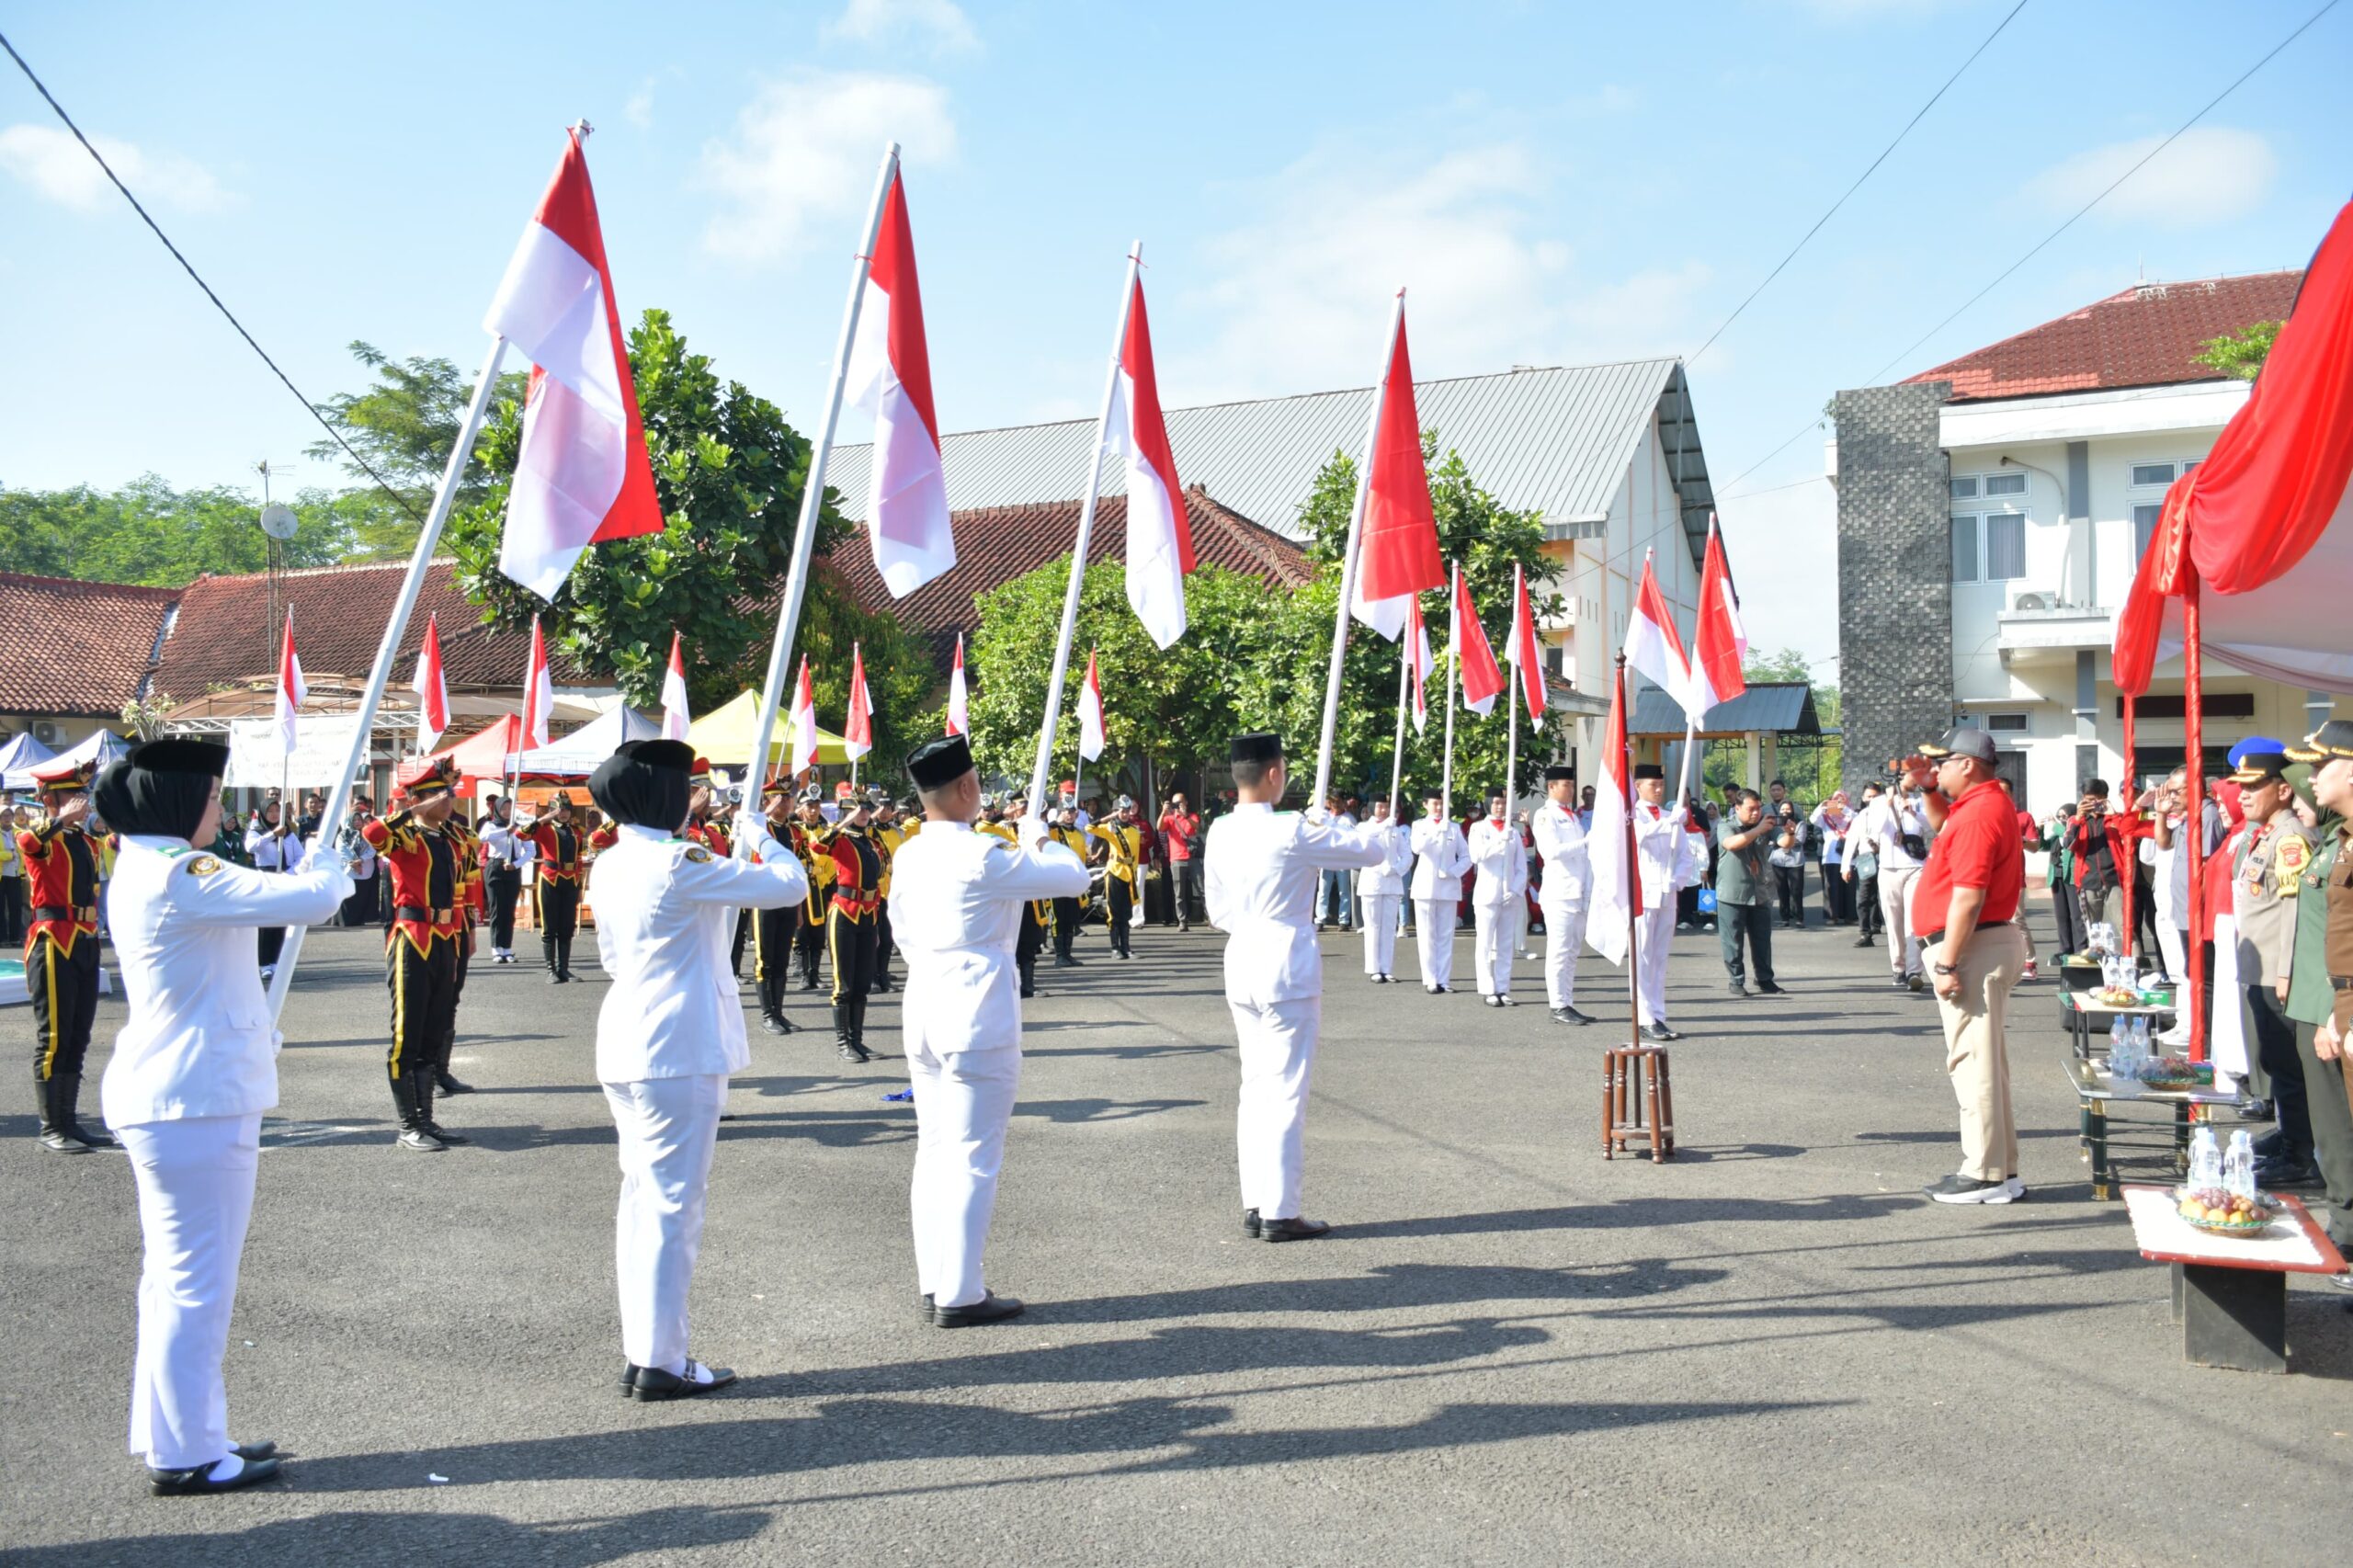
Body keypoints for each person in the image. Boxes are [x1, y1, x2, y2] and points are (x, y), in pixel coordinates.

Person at [97, 738, 352, 1494]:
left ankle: (176, 1431)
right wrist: (328, 861)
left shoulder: (150, 867)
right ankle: (188, 1455)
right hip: (193, 1101)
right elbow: (311, 899)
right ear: (180, 804)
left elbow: (208, 974)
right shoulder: (179, 871)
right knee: (195, 1283)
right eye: (212, 799)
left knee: (172, 1280)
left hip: (184, 1091)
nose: (220, 811)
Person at [585, 739, 807, 1399]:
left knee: (644, 1203)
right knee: (671, 1208)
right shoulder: (679, 861)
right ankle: (661, 1360)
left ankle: (645, 1350)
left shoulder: (615, 861)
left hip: (629, 1034)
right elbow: (788, 886)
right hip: (675, 1045)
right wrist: (763, 838)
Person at [892, 735, 1089, 1326]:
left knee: (934, 1149)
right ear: (968, 789)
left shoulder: (910, 852)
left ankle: (937, 1280)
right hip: (975, 1006)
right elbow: (1074, 877)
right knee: (974, 1153)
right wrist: (1040, 837)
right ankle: (960, 1292)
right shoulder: (981, 854)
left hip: (924, 999)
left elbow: (900, 928)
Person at [1203, 732, 1384, 1241]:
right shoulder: (1293, 830)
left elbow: (1217, 911)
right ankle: (1281, 1210)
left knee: (1254, 1087)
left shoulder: (1219, 830)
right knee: (1284, 1091)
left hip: (1241, 956)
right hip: (1285, 961)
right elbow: (1369, 851)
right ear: (1275, 774)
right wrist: (1336, 825)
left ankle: (1256, 1201)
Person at [1908, 728, 2030, 1203]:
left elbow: (1968, 896)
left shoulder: (1980, 811)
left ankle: (1985, 1174)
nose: (1935, 771)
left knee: (1973, 1064)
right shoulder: (1980, 804)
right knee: (1986, 1064)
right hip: (1985, 942)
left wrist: (1946, 962)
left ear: (1968, 765)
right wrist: (1926, 789)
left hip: (1974, 944)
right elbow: (1942, 827)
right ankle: (2000, 1168)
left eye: (1942, 764)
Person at [359, 758, 470, 1153]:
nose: (449, 799)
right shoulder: (407, 837)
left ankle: (426, 1120)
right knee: (407, 1034)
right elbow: (372, 835)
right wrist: (409, 812)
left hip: (445, 937)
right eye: (440, 794)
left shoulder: (450, 838)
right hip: (412, 937)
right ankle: (408, 1125)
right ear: (419, 800)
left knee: (433, 1031)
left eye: (449, 793)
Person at [2231, 743, 2320, 1189]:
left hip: (2276, 973)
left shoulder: (2288, 839)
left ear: (2283, 791)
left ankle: (2300, 1155)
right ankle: (2292, 1136)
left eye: (2254, 786)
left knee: (2287, 1065)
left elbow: (2294, 911)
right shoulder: (2268, 833)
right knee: (2274, 1059)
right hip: (2261, 968)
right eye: (2240, 788)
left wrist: (2285, 971)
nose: (2243, 795)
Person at [2282, 721, 2353, 1280]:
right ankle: (2345, 1224)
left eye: (2321, 764)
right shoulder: (2337, 839)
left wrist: (2335, 1007)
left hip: (2338, 1000)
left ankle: (2348, 1228)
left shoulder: (2339, 838)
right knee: (2332, 1124)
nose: (2310, 776)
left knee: (2340, 1123)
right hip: (2325, 997)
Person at [21, 757, 108, 1153]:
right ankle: (51, 1126)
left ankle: (70, 1122)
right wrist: (58, 819)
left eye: (82, 794)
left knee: (78, 1035)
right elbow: (30, 843)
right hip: (53, 940)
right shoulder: (43, 837)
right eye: (73, 794)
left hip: (86, 939)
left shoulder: (85, 840)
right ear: (51, 799)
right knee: (54, 1037)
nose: (81, 801)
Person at [1630, 764, 1699, 1042]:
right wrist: (1669, 823)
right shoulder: (1632, 815)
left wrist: (1677, 880)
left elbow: (1685, 854)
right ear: (1638, 787)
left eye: (1660, 785)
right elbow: (1639, 836)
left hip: (1667, 894)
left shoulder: (1672, 817)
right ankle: (1644, 1016)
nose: (1658, 790)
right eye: (1652, 785)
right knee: (1642, 957)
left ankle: (1657, 1014)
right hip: (1643, 895)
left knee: (1659, 958)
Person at [815, 794, 886, 1062]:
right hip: (844, 912)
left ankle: (857, 1040)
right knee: (843, 984)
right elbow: (818, 846)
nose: (864, 813)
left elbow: (877, 882)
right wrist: (840, 824)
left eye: (867, 809)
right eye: (857, 810)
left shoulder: (872, 842)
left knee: (862, 983)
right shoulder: (840, 839)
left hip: (868, 914)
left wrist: (877, 923)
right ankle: (844, 1042)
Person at [1853, 766, 1933, 990]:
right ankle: (1898, 968)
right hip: (1888, 868)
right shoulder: (1878, 802)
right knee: (1894, 922)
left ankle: (1914, 970)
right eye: (1912, 776)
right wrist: (1889, 804)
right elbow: (1876, 830)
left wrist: (1912, 812)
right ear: (1900, 778)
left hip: (1916, 867)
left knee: (1913, 921)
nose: (1916, 780)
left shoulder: (1921, 800)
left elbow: (1932, 828)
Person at [1529, 767, 1593, 1025]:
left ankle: (1567, 1001)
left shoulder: (1573, 817)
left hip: (1577, 892)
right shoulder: (1546, 816)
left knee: (1572, 952)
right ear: (1551, 787)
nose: (1571, 789)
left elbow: (1584, 860)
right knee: (1559, 951)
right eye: (1566, 784)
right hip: (1559, 893)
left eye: (1572, 784)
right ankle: (1557, 1004)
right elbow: (1551, 851)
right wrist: (1587, 841)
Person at [1715, 790, 1782, 998]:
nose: (1756, 813)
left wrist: (1789, 833)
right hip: (1732, 893)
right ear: (1737, 808)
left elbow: (1784, 843)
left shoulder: (1766, 824)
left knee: (1762, 939)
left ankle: (1764, 979)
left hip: (1760, 891)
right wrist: (1759, 829)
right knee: (1733, 941)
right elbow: (1732, 844)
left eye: (1758, 808)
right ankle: (1736, 980)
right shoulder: (1726, 825)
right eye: (1751, 809)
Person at [749, 779, 801, 1037]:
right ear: (768, 800)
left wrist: (799, 907)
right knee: (765, 959)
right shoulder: (763, 827)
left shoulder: (794, 831)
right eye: (778, 797)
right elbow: (749, 827)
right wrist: (766, 812)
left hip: (787, 901)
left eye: (788, 797)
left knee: (782, 959)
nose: (785, 801)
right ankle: (767, 1014)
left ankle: (778, 1011)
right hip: (765, 899)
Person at [1466, 792, 1528, 1006]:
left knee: (1505, 944)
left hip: (1509, 895)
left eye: (1503, 803)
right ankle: (1487, 988)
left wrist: (1516, 889)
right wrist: (1498, 842)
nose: (1500, 807)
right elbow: (1476, 856)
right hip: (1486, 893)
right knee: (1484, 943)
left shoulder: (1513, 833)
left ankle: (1502, 988)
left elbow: (1521, 866)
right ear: (1487, 805)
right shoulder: (1478, 828)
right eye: (1496, 803)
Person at [518, 792, 586, 983]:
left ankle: (564, 969)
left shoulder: (577, 831)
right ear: (552, 810)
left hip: (571, 880)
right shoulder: (545, 829)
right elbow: (520, 834)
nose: (564, 813)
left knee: (567, 926)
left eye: (566, 809)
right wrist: (542, 819)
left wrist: (579, 884)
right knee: (549, 926)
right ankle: (551, 970)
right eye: (560, 809)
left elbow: (579, 859)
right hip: (550, 879)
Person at [1408, 792, 1469, 994]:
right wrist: (1435, 832)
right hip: (1425, 885)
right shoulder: (1419, 826)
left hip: (1448, 886)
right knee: (1426, 934)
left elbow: (1467, 857)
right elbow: (1416, 848)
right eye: (1435, 803)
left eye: (1442, 803)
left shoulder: (1454, 827)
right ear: (1425, 804)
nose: (1439, 807)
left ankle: (1444, 979)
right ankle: (1430, 978)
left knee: (1445, 934)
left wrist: (1453, 872)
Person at [1355, 797, 1412, 983]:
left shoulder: (1395, 830)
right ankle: (1373, 969)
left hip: (1392, 882)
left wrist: (1397, 869)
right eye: (1380, 806)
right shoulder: (1364, 827)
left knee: (1389, 928)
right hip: (1372, 882)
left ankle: (1386, 968)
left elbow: (1407, 855)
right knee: (1373, 926)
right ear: (1372, 808)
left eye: (1387, 807)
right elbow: (1362, 843)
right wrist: (1383, 827)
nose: (1384, 810)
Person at [243, 801, 301, 978]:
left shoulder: (290, 835)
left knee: (281, 921)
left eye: (277, 811)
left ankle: (277, 961)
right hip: (266, 876)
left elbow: (301, 857)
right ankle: (263, 963)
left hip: (284, 876)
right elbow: (250, 847)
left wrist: (290, 872)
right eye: (270, 811)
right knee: (266, 923)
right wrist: (271, 835)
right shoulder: (256, 832)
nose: (274, 814)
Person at [2067, 780, 2131, 935]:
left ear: (2105, 798)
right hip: (2089, 880)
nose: (2093, 804)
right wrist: (2078, 817)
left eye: (2097, 800)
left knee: (2125, 926)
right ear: (2082, 799)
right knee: (2093, 930)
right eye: (2088, 800)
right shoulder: (2077, 821)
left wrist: (2113, 815)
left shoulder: (2115, 818)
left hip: (2115, 878)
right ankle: (2096, 957)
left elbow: (2129, 836)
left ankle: (2132, 957)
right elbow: (2068, 845)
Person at [1089, 796, 1145, 960]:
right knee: (1114, 912)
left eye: (1127, 810)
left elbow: (1135, 855)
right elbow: (1089, 828)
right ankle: (1115, 948)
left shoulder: (1135, 831)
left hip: (1128, 875)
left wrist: (1133, 870)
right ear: (1116, 811)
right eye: (1121, 810)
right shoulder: (1111, 828)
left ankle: (1126, 947)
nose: (1125, 814)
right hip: (1114, 872)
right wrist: (1108, 818)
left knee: (1126, 912)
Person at [790, 787, 832, 994]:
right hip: (800, 889)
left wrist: (823, 877)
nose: (813, 811)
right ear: (801, 808)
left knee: (817, 934)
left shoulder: (825, 831)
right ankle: (802, 973)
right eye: (809, 806)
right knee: (801, 933)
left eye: (816, 806)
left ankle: (815, 973)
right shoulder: (795, 830)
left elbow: (831, 862)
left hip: (820, 889)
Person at [478, 793, 525, 964]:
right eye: (503, 808)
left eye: (509, 808)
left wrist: (517, 864)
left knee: (509, 909)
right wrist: (506, 831)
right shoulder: (491, 825)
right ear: (498, 809)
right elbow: (483, 838)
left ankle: (507, 948)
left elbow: (531, 850)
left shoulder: (519, 827)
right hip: (495, 867)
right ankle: (496, 949)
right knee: (497, 908)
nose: (506, 812)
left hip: (512, 868)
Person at [1048, 807, 1091, 968]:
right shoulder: (1054, 832)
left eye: (1072, 812)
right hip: (1058, 881)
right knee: (1059, 919)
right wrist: (1057, 822)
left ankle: (1068, 953)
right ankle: (1060, 955)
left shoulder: (1079, 834)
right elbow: (1045, 829)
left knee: (1071, 918)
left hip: (1073, 881)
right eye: (1066, 811)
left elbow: (1082, 859)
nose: (1069, 815)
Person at [1158, 791, 1204, 930]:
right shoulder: (1170, 818)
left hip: (1193, 858)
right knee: (1179, 893)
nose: (1178, 806)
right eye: (1175, 804)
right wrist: (1163, 812)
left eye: (1180, 803)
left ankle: (1212, 918)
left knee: (1202, 889)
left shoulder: (1193, 815)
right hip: (1177, 859)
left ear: (1186, 803)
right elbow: (1159, 828)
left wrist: (1186, 816)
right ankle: (1182, 921)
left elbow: (1197, 827)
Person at [1313, 794, 1359, 933]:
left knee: (1343, 891)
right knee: (1323, 891)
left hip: (1342, 860)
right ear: (1329, 802)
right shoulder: (1325, 817)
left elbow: (1354, 839)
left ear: (1343, 802)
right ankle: (1320, 920)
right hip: (1326, 858)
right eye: (1333, 802)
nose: (1336, 804)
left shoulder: (1349, 819)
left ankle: (1344, 920)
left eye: (1338, 802)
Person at [1847, 782, 1884, 949]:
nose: (1872, 799)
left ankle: (1879, 925)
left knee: (1883, 897)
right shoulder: (1860, 817)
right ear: (1863, 798)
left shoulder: (1890, 814)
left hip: (1886, 859)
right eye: (1869, 796)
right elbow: (1851, 842)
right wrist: (1845, 866)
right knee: (1862, 898)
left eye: (1875, 796)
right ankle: (1865, 932)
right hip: (1864, 860)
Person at [336, 797, 381, 927]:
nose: (357, 822)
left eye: (359, 820)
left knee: (361, 895)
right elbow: (341, 849)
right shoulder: (343, 834)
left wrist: (360, 860)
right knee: (349, 896)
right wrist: (353, 862)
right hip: (349, 869)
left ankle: (360, 919)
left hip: (365, 869)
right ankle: (346, 920)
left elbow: (372, 850)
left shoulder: (367, 834)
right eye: (354, 820)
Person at [1813, 792, 1854, 926]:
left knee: (1849, 888)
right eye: (1836, 800)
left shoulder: (1852, 815)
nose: (1838, 803)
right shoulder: (1826, 818)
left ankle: (1850, 916)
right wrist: (1822, 805)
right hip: (1831, 857)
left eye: (1842, 800)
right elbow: (1813, 819)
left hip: (1849, 857)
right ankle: (1832, 916)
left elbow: (1858, 818)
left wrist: (1844, 809)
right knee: (1831, 887)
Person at [1768, 802, 1806, 928]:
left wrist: (1780, 842)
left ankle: (1799, 917)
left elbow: (1800, 840)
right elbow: (1769, 840)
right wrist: (1779, 842)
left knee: (1796, 891)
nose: (1785, 811)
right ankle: (1785, 918)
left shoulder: (1800, 823)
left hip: (1795, 861)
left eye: (1787, 808)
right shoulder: (1775, 824)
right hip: (1778, 861)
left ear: (1793, 810)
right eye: (1782, 809)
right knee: (1782, 891)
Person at [0, 804, 23, 947]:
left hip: (15, 874)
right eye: (4, 816)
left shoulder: (19, 832)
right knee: (1, 908)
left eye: (9, 815)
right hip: (2, 875)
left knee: (16, 906)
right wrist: (9, 854)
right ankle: (2, 938)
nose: (7, 818)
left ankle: (15, 937)